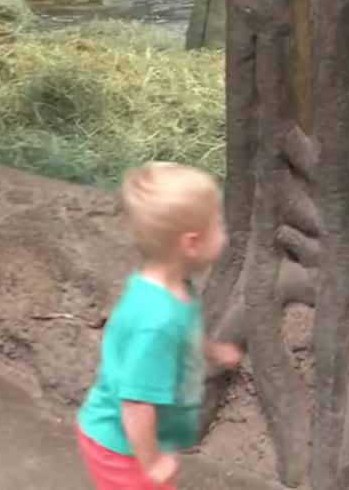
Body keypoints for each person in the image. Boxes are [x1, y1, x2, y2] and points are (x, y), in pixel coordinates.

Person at [75, 161, 242, 489]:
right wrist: (152, 463)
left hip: (129, 441)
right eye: (218, 224)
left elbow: (180, 337)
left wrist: (210, 350)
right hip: (123, 449)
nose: (226, 231)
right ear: (191, 243)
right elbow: (136, 404)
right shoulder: (157, 321)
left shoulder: (171, 287)